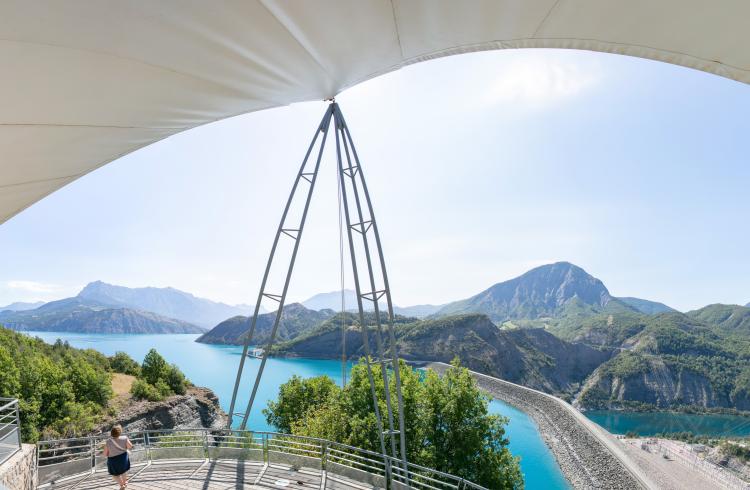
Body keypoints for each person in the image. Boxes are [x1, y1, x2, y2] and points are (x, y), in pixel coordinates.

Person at [103, 424, 132, 489]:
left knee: (115, 474)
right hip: (123, 458)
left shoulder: (108, 442)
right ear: (120, 432)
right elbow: (130, 446)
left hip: (113, 460)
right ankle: (124, 483)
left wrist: (112, 453)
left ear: (111, 433)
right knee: (123, 471)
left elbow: (105, 454)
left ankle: (122, 485)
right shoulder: (125, 438)